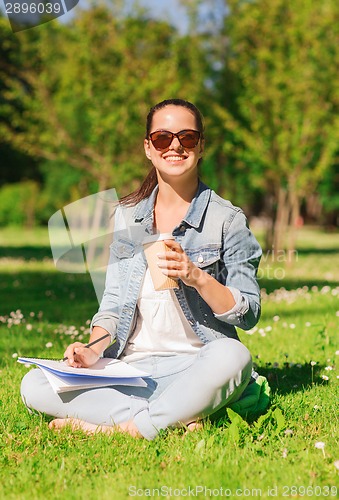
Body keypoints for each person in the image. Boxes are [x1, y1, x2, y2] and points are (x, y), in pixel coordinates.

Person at [21, 98, 262, 440]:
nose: (175, 145)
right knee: (34, 384)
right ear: (148, 148)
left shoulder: (227, 220)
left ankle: (127, 426)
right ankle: (171, 415)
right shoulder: (127, 216)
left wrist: (196, 276)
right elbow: (114, 303)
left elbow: (249, 313)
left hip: (195, 364)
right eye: (163, 138)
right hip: (132, 369)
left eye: (187, 138)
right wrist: (92, 350)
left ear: (201, 146)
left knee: (234, 356)